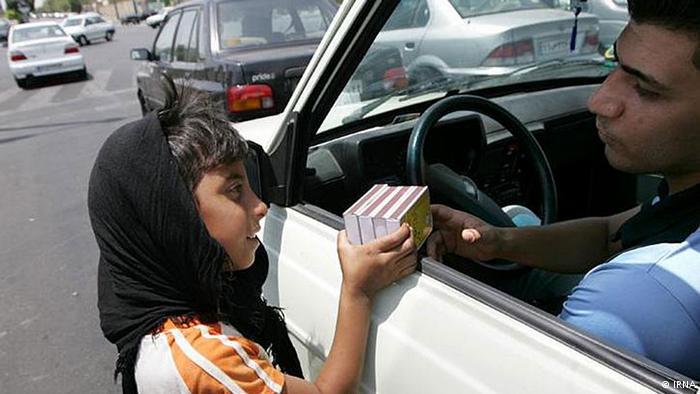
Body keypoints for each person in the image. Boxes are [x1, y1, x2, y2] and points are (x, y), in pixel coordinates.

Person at [426, 0, 700, 379]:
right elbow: (611, 237)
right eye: (615, 65)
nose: (599, 101)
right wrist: (500, 241)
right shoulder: (684, 202)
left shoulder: (633, 299)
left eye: (644, 88)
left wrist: (427, 297)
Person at [87, 80, 417, 393]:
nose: (260, 206)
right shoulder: (207, 362)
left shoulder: (176, 313)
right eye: (234, 191)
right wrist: (357, 291)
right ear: (175, 219)